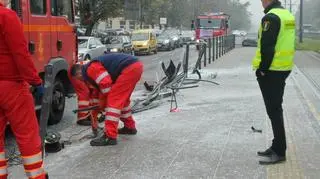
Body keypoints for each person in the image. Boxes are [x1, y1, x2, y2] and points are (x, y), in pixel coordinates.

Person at [0, 1, 47, 178]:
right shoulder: (6, 16)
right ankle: (37, 176)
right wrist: (35, 81)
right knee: (27, 134)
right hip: (11, 86)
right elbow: (20, 53)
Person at [252, 0, 295, 165]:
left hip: (271, 71)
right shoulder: (287, 15)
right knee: (276, 109)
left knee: (274, 111)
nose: (261, 2)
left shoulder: (271, 17)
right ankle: (277, 146)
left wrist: (262, 69)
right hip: (284, 68)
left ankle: (279, 151)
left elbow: (267, 47)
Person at [70, 53, 143, 146]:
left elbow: (106, 83)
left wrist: (105, 102)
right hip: (134, 67)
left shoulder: (90, 68)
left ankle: (110, 136)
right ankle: (129, 127)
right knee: (122, 102)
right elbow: (97, 94)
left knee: (113, 102)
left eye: (79, 79)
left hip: (130, 68)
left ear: (79, 73)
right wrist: (96, 114)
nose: (81, 81)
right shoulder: (90, 71)